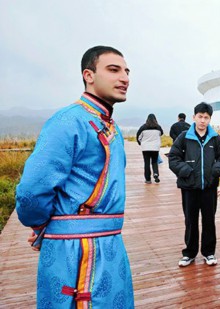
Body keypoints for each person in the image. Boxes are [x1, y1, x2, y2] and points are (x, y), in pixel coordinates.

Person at [15, 46, 134, 308]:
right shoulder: (68, 121)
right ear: (88, 75)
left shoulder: (108, 125)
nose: (124, 77)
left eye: (126, 71)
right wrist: (42, 225)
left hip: (110, 244)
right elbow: (31, 191)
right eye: (113, 70)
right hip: (78, 251)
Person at [169, 102, 220, 267]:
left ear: (210, 119)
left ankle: (209, 253)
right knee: (190, 220)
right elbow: (173, 158)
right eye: (200, 117)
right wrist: (186, 170)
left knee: (209, 220)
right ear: (194, 117)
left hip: (209, 187)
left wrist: (216, 169)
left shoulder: (215, 138)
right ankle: (189, 253)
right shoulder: (184, 137)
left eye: (206, 117)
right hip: (189, 188)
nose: (203, 120)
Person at [137, 113, 164, 184]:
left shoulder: (143, 127)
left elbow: (138, 137)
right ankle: (156, 174)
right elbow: (161, 133)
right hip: (155, 147)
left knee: (147, 163)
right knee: (154, 162)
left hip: (145, 148)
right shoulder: (158, 127)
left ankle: (148, 179)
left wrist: (141, 143)